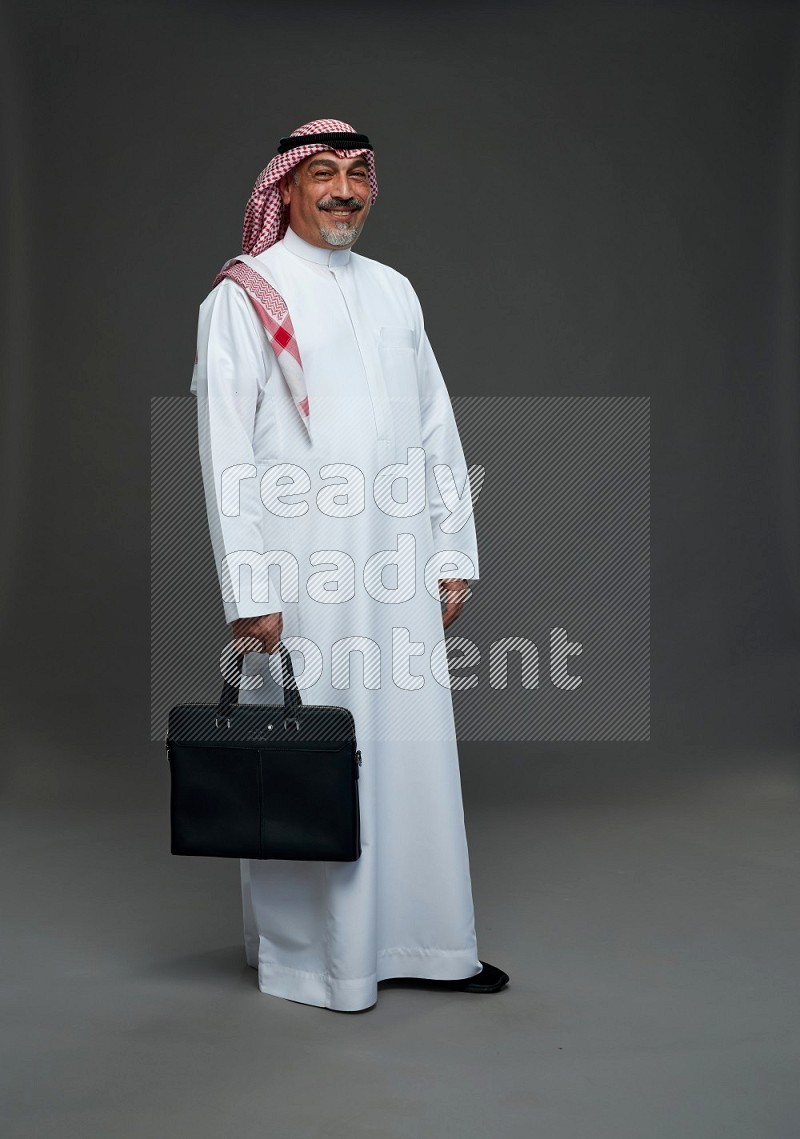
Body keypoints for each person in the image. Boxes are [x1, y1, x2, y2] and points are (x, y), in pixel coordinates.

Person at [190, 117, 508, 1011]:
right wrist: (251, 592)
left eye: (357, 174)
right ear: (284, 188)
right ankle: (316, 962)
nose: (342, 190)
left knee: (408, 754)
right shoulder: (244, 297)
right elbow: (226, 455)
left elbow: (436, 427)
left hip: (395, 566)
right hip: (304, 579)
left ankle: (429, 944)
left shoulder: (396, 291)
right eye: (322, 173)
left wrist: (452, 552)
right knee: (311, 757)